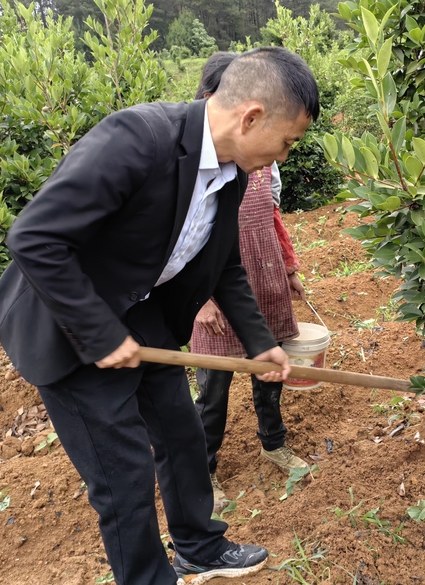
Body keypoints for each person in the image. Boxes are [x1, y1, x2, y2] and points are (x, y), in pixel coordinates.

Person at [0, 47, 319, 585]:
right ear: (251, 116)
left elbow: (224, 264)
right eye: (288, 140)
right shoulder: (138, 138)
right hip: (68, 322)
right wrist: (100, 333)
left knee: (181, 435)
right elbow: (35, 239)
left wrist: (260, 344)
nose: (285, 154)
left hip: (140, 312)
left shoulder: (234, 172)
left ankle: (199, 546)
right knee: (123, 475)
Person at [189, 53, 309, 510]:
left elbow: (273, 217)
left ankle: (273, 442)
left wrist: (289, 268)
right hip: (217, 290)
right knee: (213, 389)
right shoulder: (200, 172)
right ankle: (206, 468)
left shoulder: (261, 164)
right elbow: (188, 247)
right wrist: (201, 300)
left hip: (262, 278)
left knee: (270, 371)